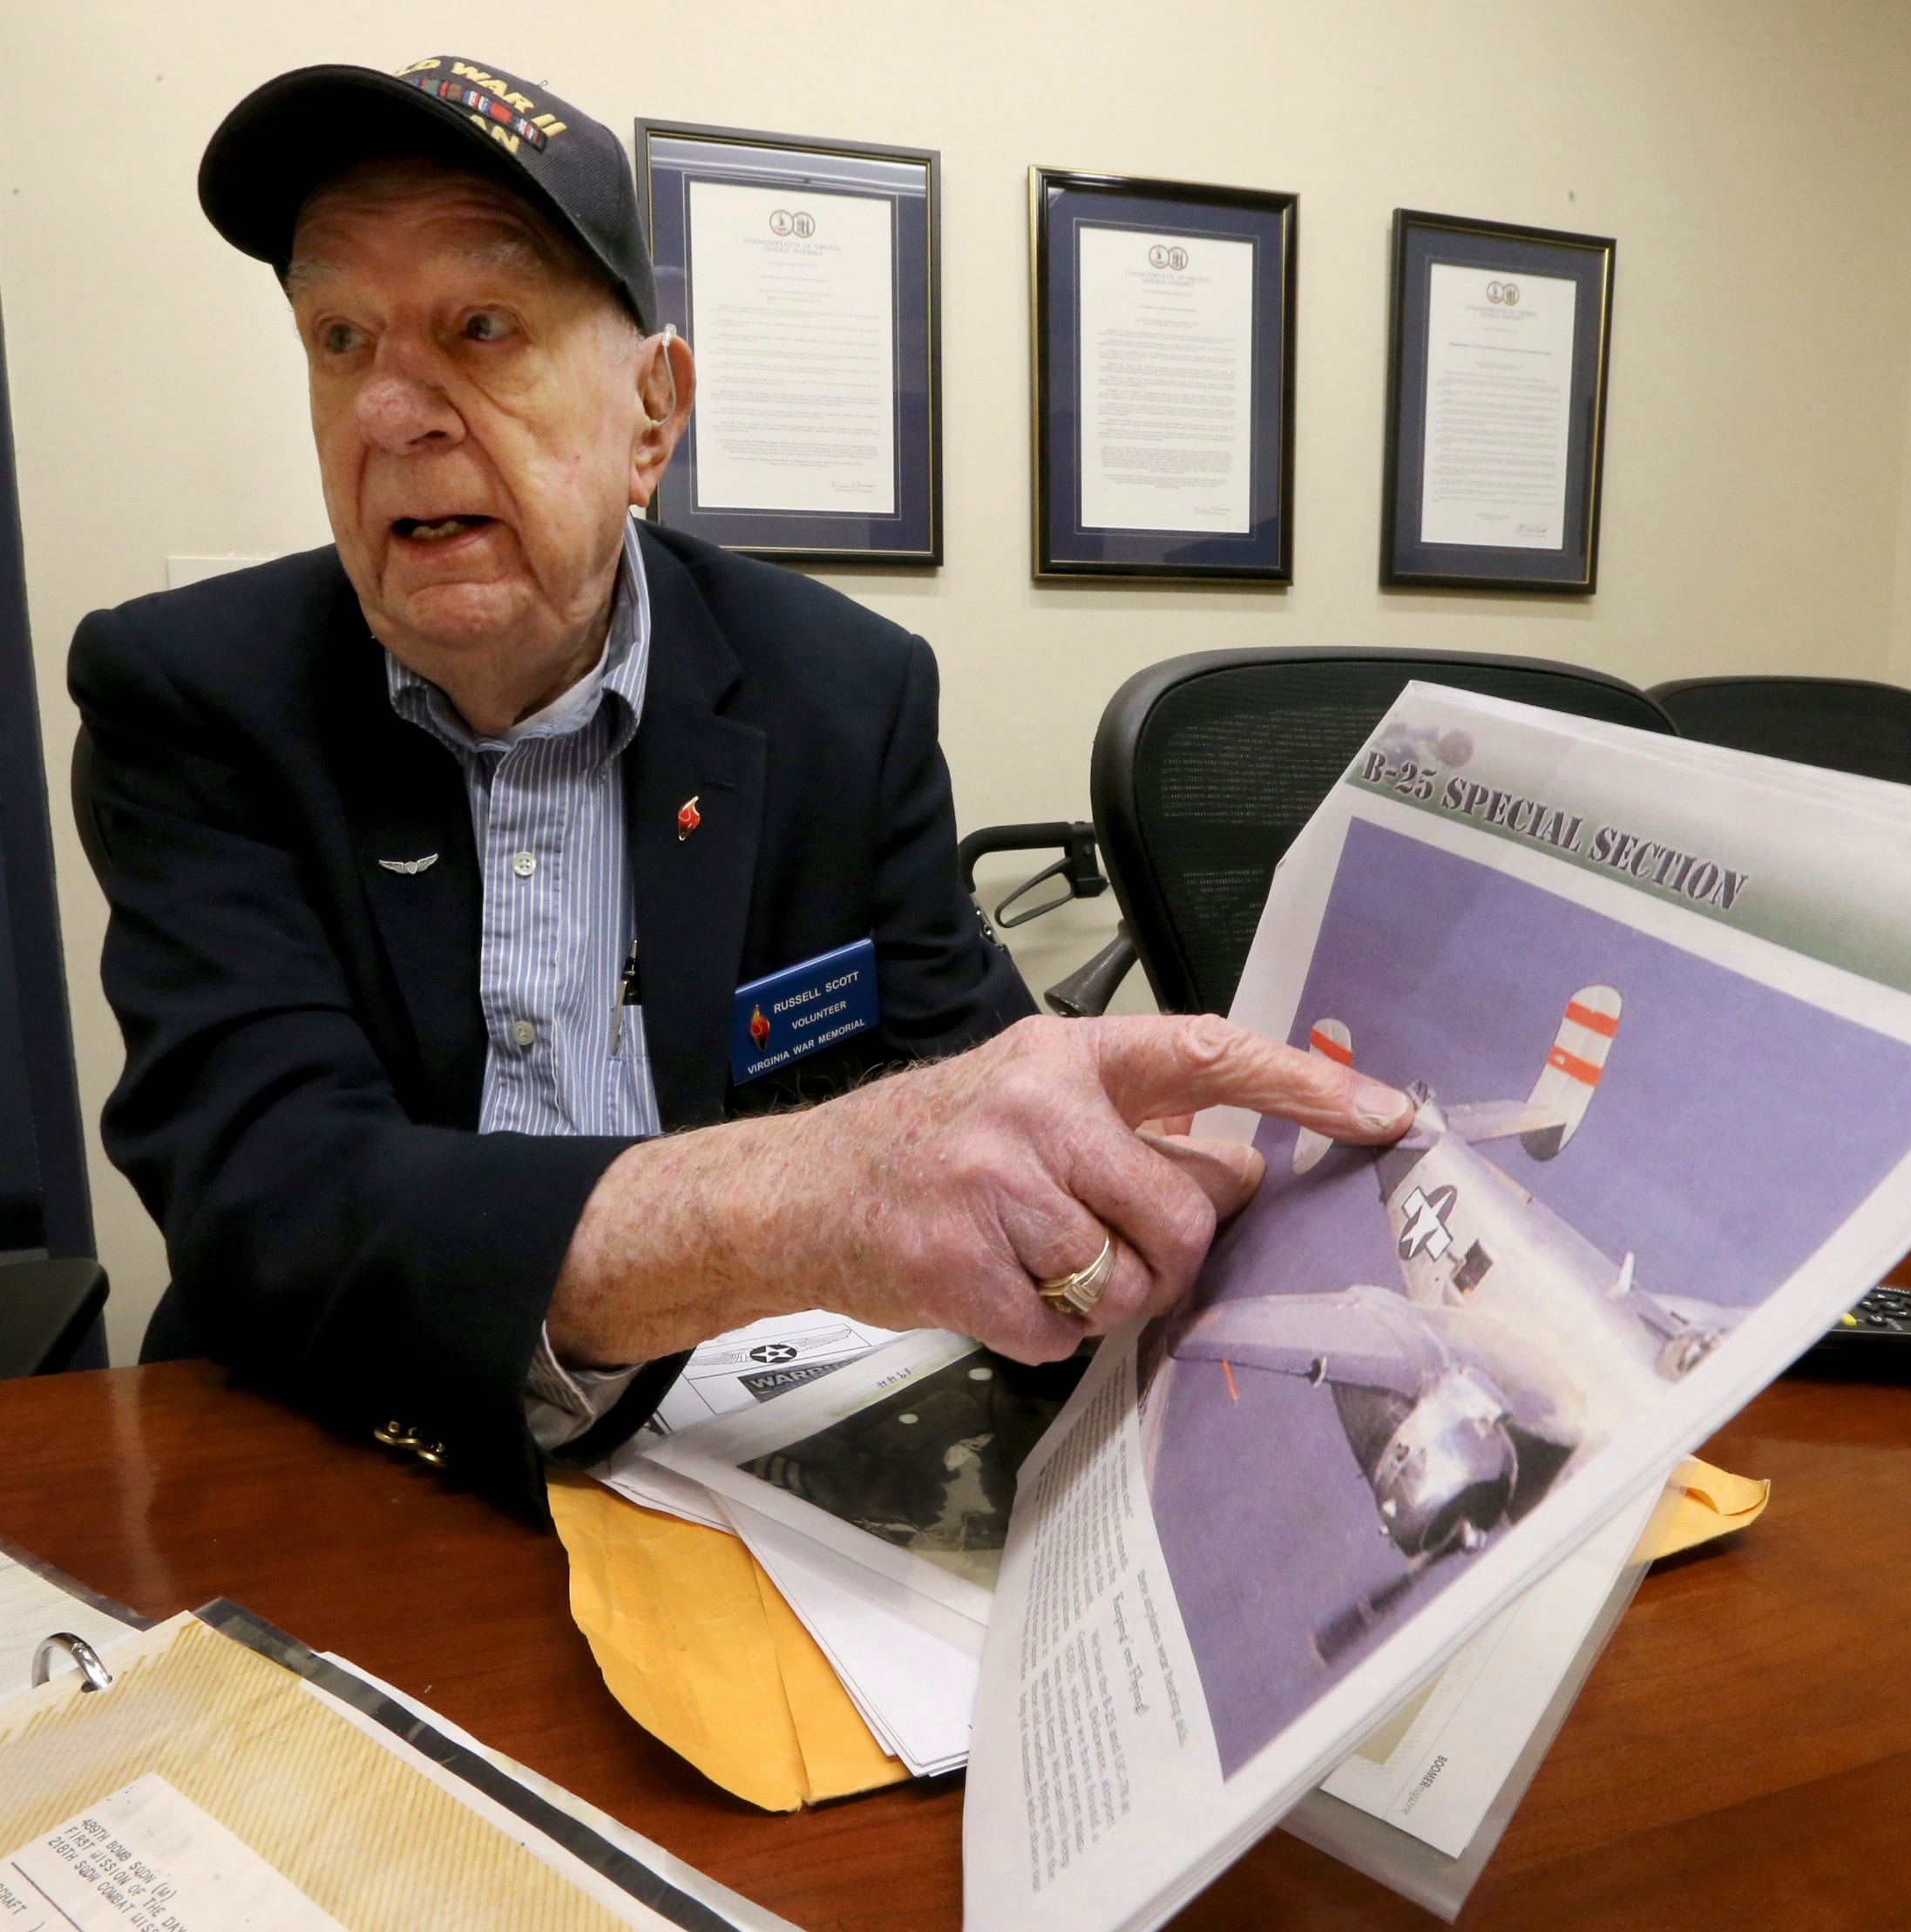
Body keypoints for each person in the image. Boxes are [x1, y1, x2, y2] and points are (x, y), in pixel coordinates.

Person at [69, 55, 1411, 1516]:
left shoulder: (840, 691)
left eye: (480, 326)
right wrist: (798, 1200)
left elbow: (953, 1071)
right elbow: (267, 1191)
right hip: (351, 1448)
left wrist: (1114, 1185)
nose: (392, 410)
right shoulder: (191, 694)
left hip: (733, 1471)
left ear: (653, 413)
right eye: (339, 337)